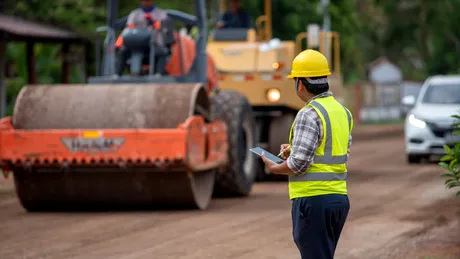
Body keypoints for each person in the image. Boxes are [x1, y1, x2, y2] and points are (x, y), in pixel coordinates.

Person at [260, 49, 353, 259]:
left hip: (313, 200)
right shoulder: (342, 112)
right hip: (338, 199)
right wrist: (295, 149)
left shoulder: (308, 113)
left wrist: (274, 166)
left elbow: (298, 165)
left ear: (300, 83)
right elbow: (335, 151)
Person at [115, 0, 173, 76]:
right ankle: (117, 75)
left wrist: (154, 24)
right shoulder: (135, 14)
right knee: (123, 52)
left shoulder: (161, 14)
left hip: (153, 43)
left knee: (162, 52)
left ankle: (159, 74)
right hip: (135, 44)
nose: (146, 2)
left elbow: (164, 28)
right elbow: (129, 29)